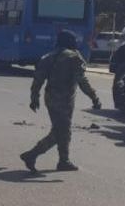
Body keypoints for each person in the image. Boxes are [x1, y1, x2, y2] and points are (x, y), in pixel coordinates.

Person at [20, 30, 101, 173]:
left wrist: (34, 98)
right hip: (64, 100)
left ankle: (64, 160)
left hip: (50, 98)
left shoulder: (47, 57)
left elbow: (38, 79)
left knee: (64, 129)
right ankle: (32, 154)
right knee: (60, 131)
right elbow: (82, 81)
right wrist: (94, 98)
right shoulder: (74, 57)